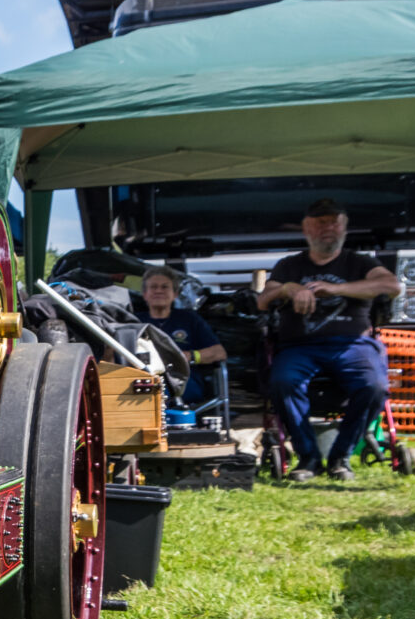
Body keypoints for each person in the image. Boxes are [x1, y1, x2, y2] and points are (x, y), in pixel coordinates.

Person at [255, 198, 401, 482]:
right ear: (307, 228)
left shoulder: (360, 262)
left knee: (374, 386)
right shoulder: (289, 265)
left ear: (345, 228)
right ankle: (308, 457)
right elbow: (263, 300)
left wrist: (337, 289)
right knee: (282, 381)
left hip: (353, 345)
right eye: (321, 223)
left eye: (335, 222)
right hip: (299, 346)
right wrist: (290, 288)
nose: (329, 229)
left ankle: (340, 456)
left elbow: (392, 286)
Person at [140, 268, 225, 407]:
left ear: (175, 294)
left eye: (164, 287)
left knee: (160, 391)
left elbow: (219, 353)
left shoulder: (189, 319)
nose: (159, 291)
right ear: (145, 294)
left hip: (182, 379)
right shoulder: (134, 321)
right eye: (153, 287)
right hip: (143, 379)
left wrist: (188, 356)